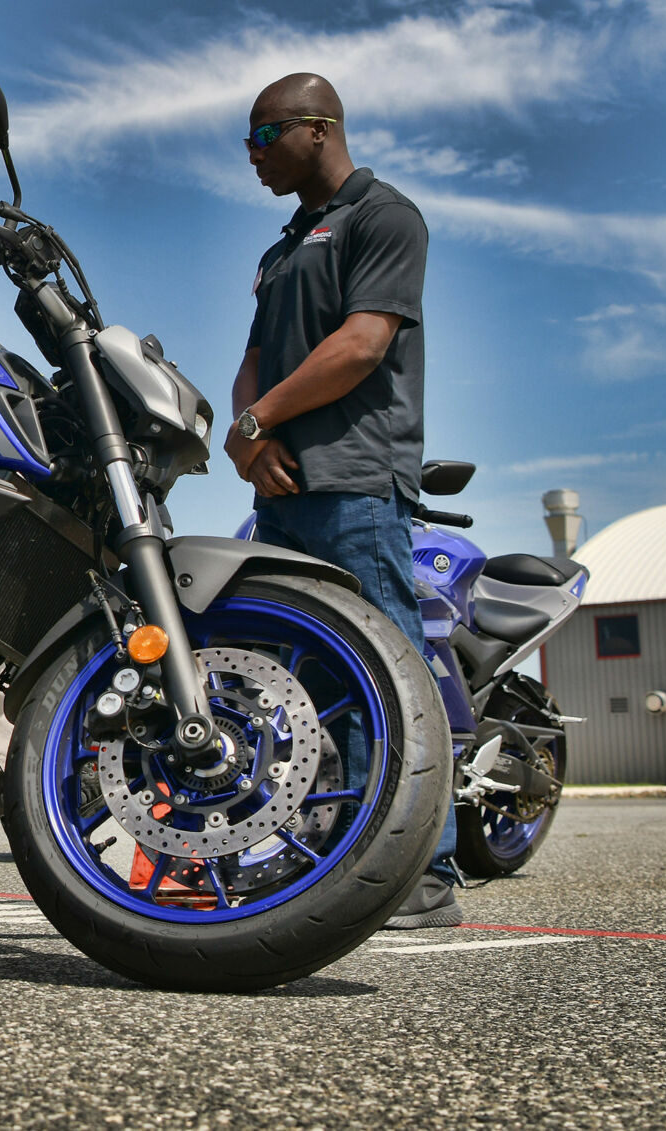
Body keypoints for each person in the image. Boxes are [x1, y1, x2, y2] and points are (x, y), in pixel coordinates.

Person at [220, 73, 461, 930]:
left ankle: (421, 873)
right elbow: (256, 357)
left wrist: (258, 417)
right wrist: (248, 439)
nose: (250, 155)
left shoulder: (382, 217)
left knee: (389, 675)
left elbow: (361, 344)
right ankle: (317, 858)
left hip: (356, 484)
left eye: (263, 136)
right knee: (296, 690)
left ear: (318, 129)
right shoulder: (282, 247)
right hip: (284, 489)